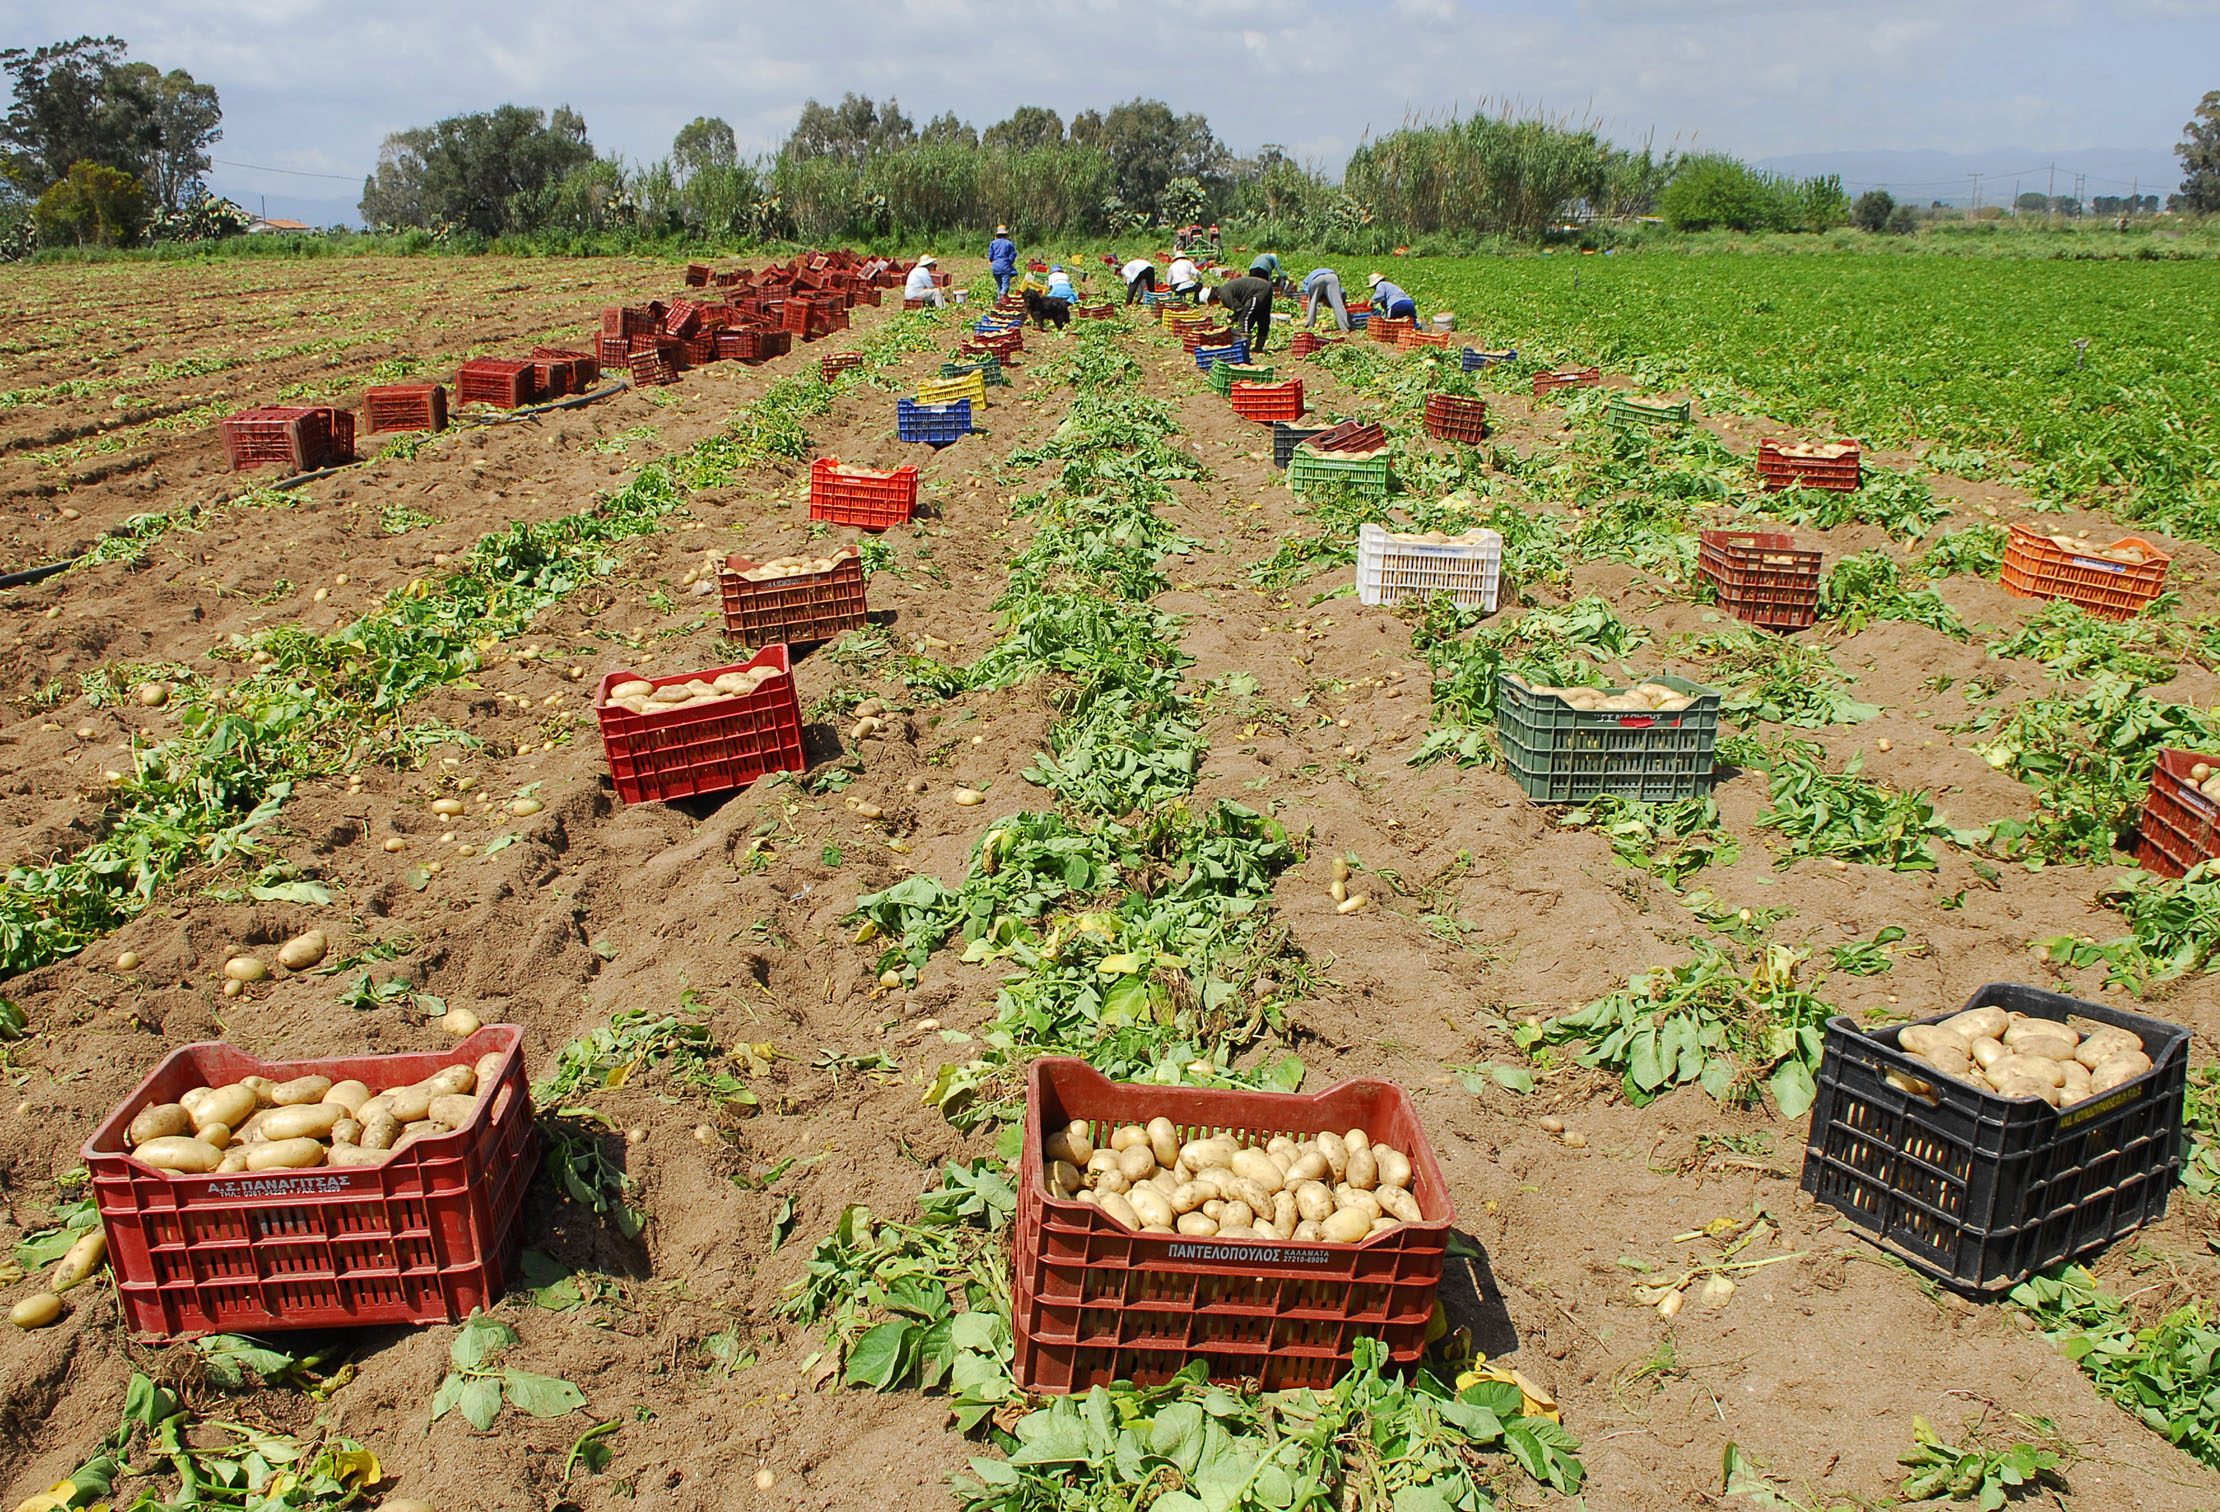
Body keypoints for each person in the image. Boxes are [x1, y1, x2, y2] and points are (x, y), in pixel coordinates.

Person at [1206, 272, 1273, 353]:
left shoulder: (1225, 296)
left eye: (1212, 303)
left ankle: (1245, 347)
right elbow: (1239, 309)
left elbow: (1240, 310)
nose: (1214, 305)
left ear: (1212, 298)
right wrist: (1233, 318)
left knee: (1245, 318)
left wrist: (1233, 319)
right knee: (1263, 317)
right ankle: (1258, 347)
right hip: (1266, 287)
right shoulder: (1224, 290)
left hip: (1258, 291)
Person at [988, 225, 1017, 299]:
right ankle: (1002, 295)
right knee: (1005, 285)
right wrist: (1009, 262)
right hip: (1005, 266)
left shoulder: (993, 243)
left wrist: (992, 261)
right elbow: (1013, 255)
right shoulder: (1009, 243)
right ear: (1005, 235)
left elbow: (990, 256)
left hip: (995, 267)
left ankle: (999, 300)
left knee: (999, 285)